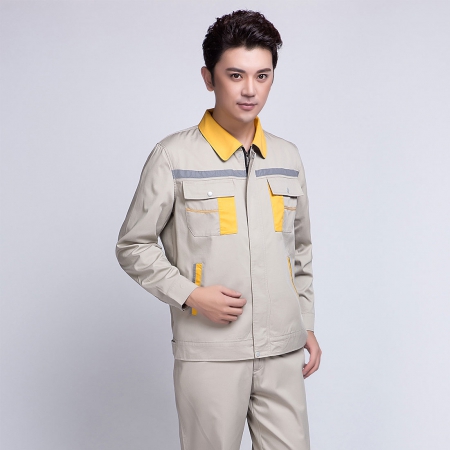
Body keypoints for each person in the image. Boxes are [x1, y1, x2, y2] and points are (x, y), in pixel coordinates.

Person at [116, 9, 322, 450]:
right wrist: (191, 294)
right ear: (209, 78)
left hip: (282, 350)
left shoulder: (287, 157)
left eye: (262, 76)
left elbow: (300, 251)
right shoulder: (173, 157)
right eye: (236, 75)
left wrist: (304, 322)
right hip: (210, 354)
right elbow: (133, 245)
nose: (250, 90)